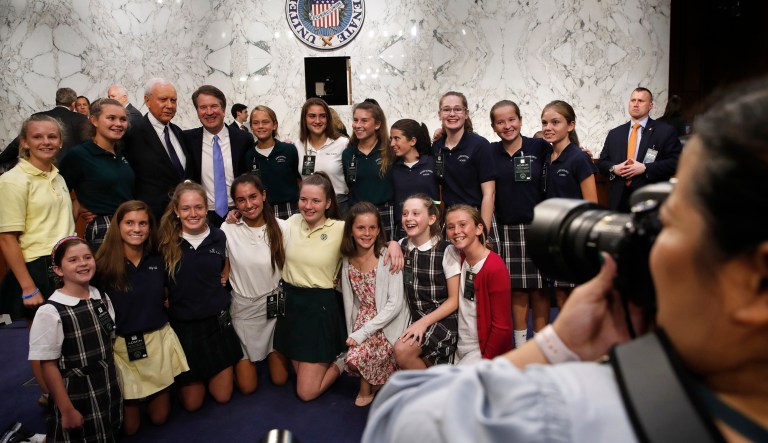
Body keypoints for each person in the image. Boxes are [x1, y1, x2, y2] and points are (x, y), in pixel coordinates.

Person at [363, 79, 768, 443]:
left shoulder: (580, 412)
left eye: (669, 219)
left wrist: (556, 346)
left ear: (756, 278)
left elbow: (404, 419)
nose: (640, 239)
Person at [273, 172, 402, 401]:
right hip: (291, 306)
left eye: (316, 200)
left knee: (306, 392)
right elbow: (260, 223)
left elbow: (367, 233)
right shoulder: (291, 222)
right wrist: (234, 216)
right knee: (283, 378)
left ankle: (341, 361)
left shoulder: (340, 228)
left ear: (328, 203)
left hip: (319, 309)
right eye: (304, 199)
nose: (308, 206)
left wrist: (394, 244)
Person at [0, 115, 76, 407]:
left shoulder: (57, 175)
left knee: (64, 336)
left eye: (52, 136)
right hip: (36, 266)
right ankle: (51, 399)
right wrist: (27, 287)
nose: (46, 142)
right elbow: (7, 238)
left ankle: (65, 393)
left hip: (65, 261)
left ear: (60, 141)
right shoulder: (12, 180)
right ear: (24, 142)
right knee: (44, 342)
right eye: (38, 137)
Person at [94, 200, 189, 435]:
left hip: (156, 341)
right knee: (130, 428)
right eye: (129, 223)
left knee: (159, 418)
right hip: (122, 348)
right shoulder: (102, 265)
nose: (137, 229)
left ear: (149, 227)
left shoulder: (158, 258)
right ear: (118, 226)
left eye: (143, 223)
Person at [158, 181, 242, 411]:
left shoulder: (219, 236)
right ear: (176, 211)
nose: (193, 214)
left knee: (223, 397)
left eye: (198, 207)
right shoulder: (164, 241)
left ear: (206, 208)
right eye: (186, 208)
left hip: (216, 323)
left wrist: (225, 272)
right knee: (192, 404)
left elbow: (225, 264)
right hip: (185, 326)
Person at [28, 237, 122, 442]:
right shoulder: (50, 311)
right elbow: (48, 365)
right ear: (58, 270)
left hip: (106, 382)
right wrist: (66, 409)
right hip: (76, 391)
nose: (83, 263)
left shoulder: (101, 297)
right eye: (73, 260)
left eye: (88, 257)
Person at [488, 100, 551, 347]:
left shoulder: (539, 147)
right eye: (500, 122)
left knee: (540, 289)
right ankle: (521, 345)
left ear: (521, 120)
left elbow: (563, 155)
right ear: (493, 127)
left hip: (538, 227)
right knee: (516, 289)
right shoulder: (490, 152)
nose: (507, 126)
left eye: (512, 119)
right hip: (507, 229)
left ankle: (543, 346)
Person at [220, 175, 290, 394]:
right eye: (241, 200)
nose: (248, 204)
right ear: (234, 204)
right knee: (247, 387)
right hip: (244, 311)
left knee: (280, 379)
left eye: (253, 197)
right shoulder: (227, 229)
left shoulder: (282, 227)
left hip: (274, 309)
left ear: (263, 195)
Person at [340, 202, 408, 406]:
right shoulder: (347, 260)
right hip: (363, 318)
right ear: (351, 230)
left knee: (361, 356)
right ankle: (376, 381)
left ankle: (367, 387)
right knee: (352, 360)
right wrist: (355, 328)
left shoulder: (388, 257)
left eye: (372, 227)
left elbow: (395, 304)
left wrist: (364, 331)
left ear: (379, 230)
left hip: (387, 320)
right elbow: (351, 300)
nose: (367, 233)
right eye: (361, 228)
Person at [541, 100, 597, 308]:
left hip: (574, 235)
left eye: (555, 122)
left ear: (570, 125)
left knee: (577, 296)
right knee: (560, 293)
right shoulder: (546, 157)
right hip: (552, 233)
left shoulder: (579, 158)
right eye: (544, 123)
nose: (548, 128)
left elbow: (592, 204)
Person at [395, 194, 460, 369]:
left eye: (416, 213)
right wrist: (391, 244)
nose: (409, 218)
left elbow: (454, 300)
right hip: (413, 317)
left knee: (402, 350)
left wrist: (423, 323)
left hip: (442, 318)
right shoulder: (401, 245)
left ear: (432, 218)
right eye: (405, 213)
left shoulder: (446, 251)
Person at [59, 98, 133, 252]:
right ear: (94, 120)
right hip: (103, 228)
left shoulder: (122, 153)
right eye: (111, 118)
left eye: (123, 119)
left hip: (129, 224)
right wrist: (79, 205)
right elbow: (60, 193)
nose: (118, 124)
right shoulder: (79, 155)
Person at [445, 204, 512, 364]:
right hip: (460, 347)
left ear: (478, 228)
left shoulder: (494, 267)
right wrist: (392, 245)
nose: (456, 231)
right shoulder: (457, 256)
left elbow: (502, 327)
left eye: (463, 224)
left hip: (482, 351)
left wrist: (485, 361)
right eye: (451, 227)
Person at [597, 87, 683, 211]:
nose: (636, 104)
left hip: (650, 198)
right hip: (618, 199)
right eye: (633, 100)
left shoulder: (665, 131)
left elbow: (676, 162)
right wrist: (614, 168)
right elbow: (602, 163)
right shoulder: (615, 133)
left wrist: (645, 168)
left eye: (641, 101)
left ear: (650, 106)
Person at [121, 78, 192, 221]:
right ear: (147, 101)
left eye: (173, 100)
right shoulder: (131, 132)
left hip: (182, 217)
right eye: (163, 99)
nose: (169, 105)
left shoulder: (178, 132)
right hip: (149, 218)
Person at [184, 85, 252, 227]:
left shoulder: (243, 139)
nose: (209, 112)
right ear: (197, 111)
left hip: (238, 213)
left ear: (223, 109)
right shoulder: (188, 139)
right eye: (203, 107)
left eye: (214, 106)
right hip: (202, 216)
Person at [432, 91, 496, 234]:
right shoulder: (437, 147)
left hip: (476, 215)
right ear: (440, 114)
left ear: (466, 113)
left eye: (458, 109)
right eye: (446, 110)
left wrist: (483, 231)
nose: (452, 114)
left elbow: (489, 193)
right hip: (450, 217)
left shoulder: (480, 145)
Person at [343, 99, 395, 240]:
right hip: (357, 213)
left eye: (364, 121)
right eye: (355, 120)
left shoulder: (390, 150)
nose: (358, 125)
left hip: (384, 212)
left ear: (377, 124)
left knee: (386, 252)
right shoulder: (348, 153)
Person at [0, 87, 89, 168]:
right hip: (71, 171)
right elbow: (88, 145)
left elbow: (18, 143)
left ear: (56, 101)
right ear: (73, 104)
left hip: (41, 169)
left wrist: (1, 159)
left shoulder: (38, 117)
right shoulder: (81, 119)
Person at [243, 105, 301, 219]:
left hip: (292, 208)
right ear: (251, 127)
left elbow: (299, 179)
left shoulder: (289, 150)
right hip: (263, 209)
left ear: (274, 125)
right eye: (256, 123)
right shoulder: (249, 155)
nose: (260, 126)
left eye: (265, 122)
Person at [294, 98, 351, 216]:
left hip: (339, 204)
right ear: (304, 119)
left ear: (328, 119)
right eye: (312, 116)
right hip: (309, 207)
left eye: (322, 116)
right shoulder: (298, 145)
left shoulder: (343, 143)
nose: (317, 121)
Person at [389, 119, 439, 240]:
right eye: (391, 139)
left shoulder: (432, 163)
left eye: (396, 138)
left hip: (430, 228)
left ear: (412, 141)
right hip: (403, 229)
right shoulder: (393, 168)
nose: (392, 143)